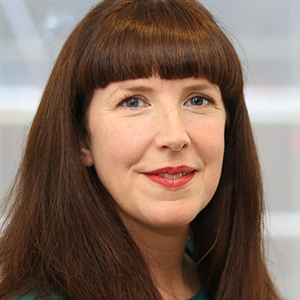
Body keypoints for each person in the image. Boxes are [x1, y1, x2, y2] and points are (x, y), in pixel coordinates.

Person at [0, 0, 281, 299]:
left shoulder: (226, 277)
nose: (175, 136)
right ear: (82, 139)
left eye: (197, 100)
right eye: (133, 101)